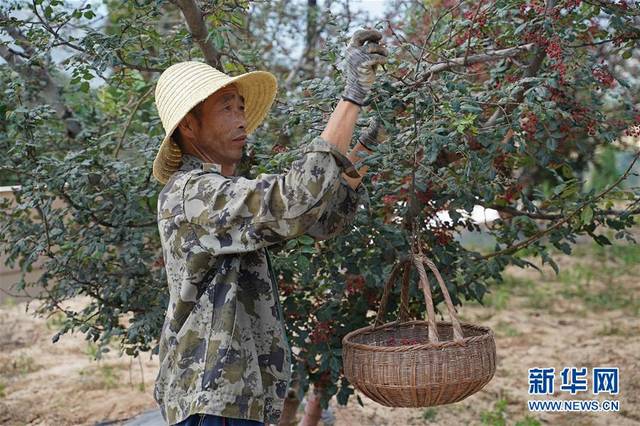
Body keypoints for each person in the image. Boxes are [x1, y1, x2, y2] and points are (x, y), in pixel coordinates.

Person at [151, 28, 388, 426]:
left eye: (241, 108)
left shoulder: (221, 192)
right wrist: (352, 96)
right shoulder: (193, 194)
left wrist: (359, 154)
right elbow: (295, 202)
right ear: (188, 127)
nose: (241, 119)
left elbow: (320, 223)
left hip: (232, 398)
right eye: (227, 108)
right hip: (212, 399)